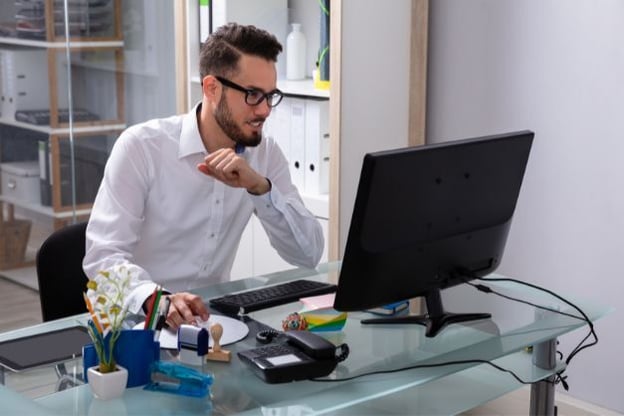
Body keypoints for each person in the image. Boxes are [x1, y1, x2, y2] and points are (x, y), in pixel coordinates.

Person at [83, 23, 324, 330]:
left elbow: (308, 254)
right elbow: (102, 257)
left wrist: (260, 188)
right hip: (134, 329)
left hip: (213, 329)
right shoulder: (142, 147)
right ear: (212, 88)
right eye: (252, 94)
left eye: (270, 96)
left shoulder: (265, 154)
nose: (265, 110)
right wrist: (158, 300)